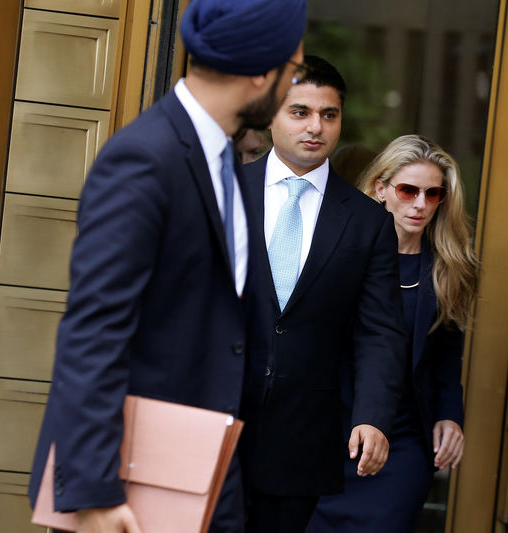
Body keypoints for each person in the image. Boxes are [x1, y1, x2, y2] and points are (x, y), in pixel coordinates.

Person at [27, 1, 307, 532]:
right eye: (293, 71)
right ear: (259, 72)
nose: (293, 85)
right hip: (131, 483)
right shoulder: (144, 158)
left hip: (205, 469)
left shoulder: (220, 157)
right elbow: (94, 330)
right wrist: (94, 493)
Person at [240, 55, 407, 533]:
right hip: (212, 420)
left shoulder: (367, 222)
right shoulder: (222, 193)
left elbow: (381, 332)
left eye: (328, 115)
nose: (316, 126)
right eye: (300, 112)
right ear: (270, 113)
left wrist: (373, 416)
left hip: (302, 436)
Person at [308, 134, 478, 532]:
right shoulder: (337, 252)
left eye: (433, 194)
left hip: (400, 446)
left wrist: (450, 417)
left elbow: (446, 358)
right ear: (380, 189)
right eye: (408, 190)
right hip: (324, 435)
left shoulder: (447, 270)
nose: (420, 204)